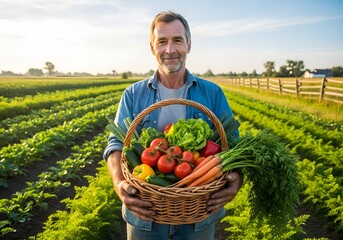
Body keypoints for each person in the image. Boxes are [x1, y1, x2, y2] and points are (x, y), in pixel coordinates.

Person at [104, 11, 242, 240]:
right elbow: (116, 145)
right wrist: (119, 184)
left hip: (200, 213)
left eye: (177, 40)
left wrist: (237, 179)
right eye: (162, 42)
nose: (170, 50)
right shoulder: (132, 94)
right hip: (144, 214)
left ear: (188, 44)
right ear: (152, 47)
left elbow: (234, 144)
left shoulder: (213, 93)